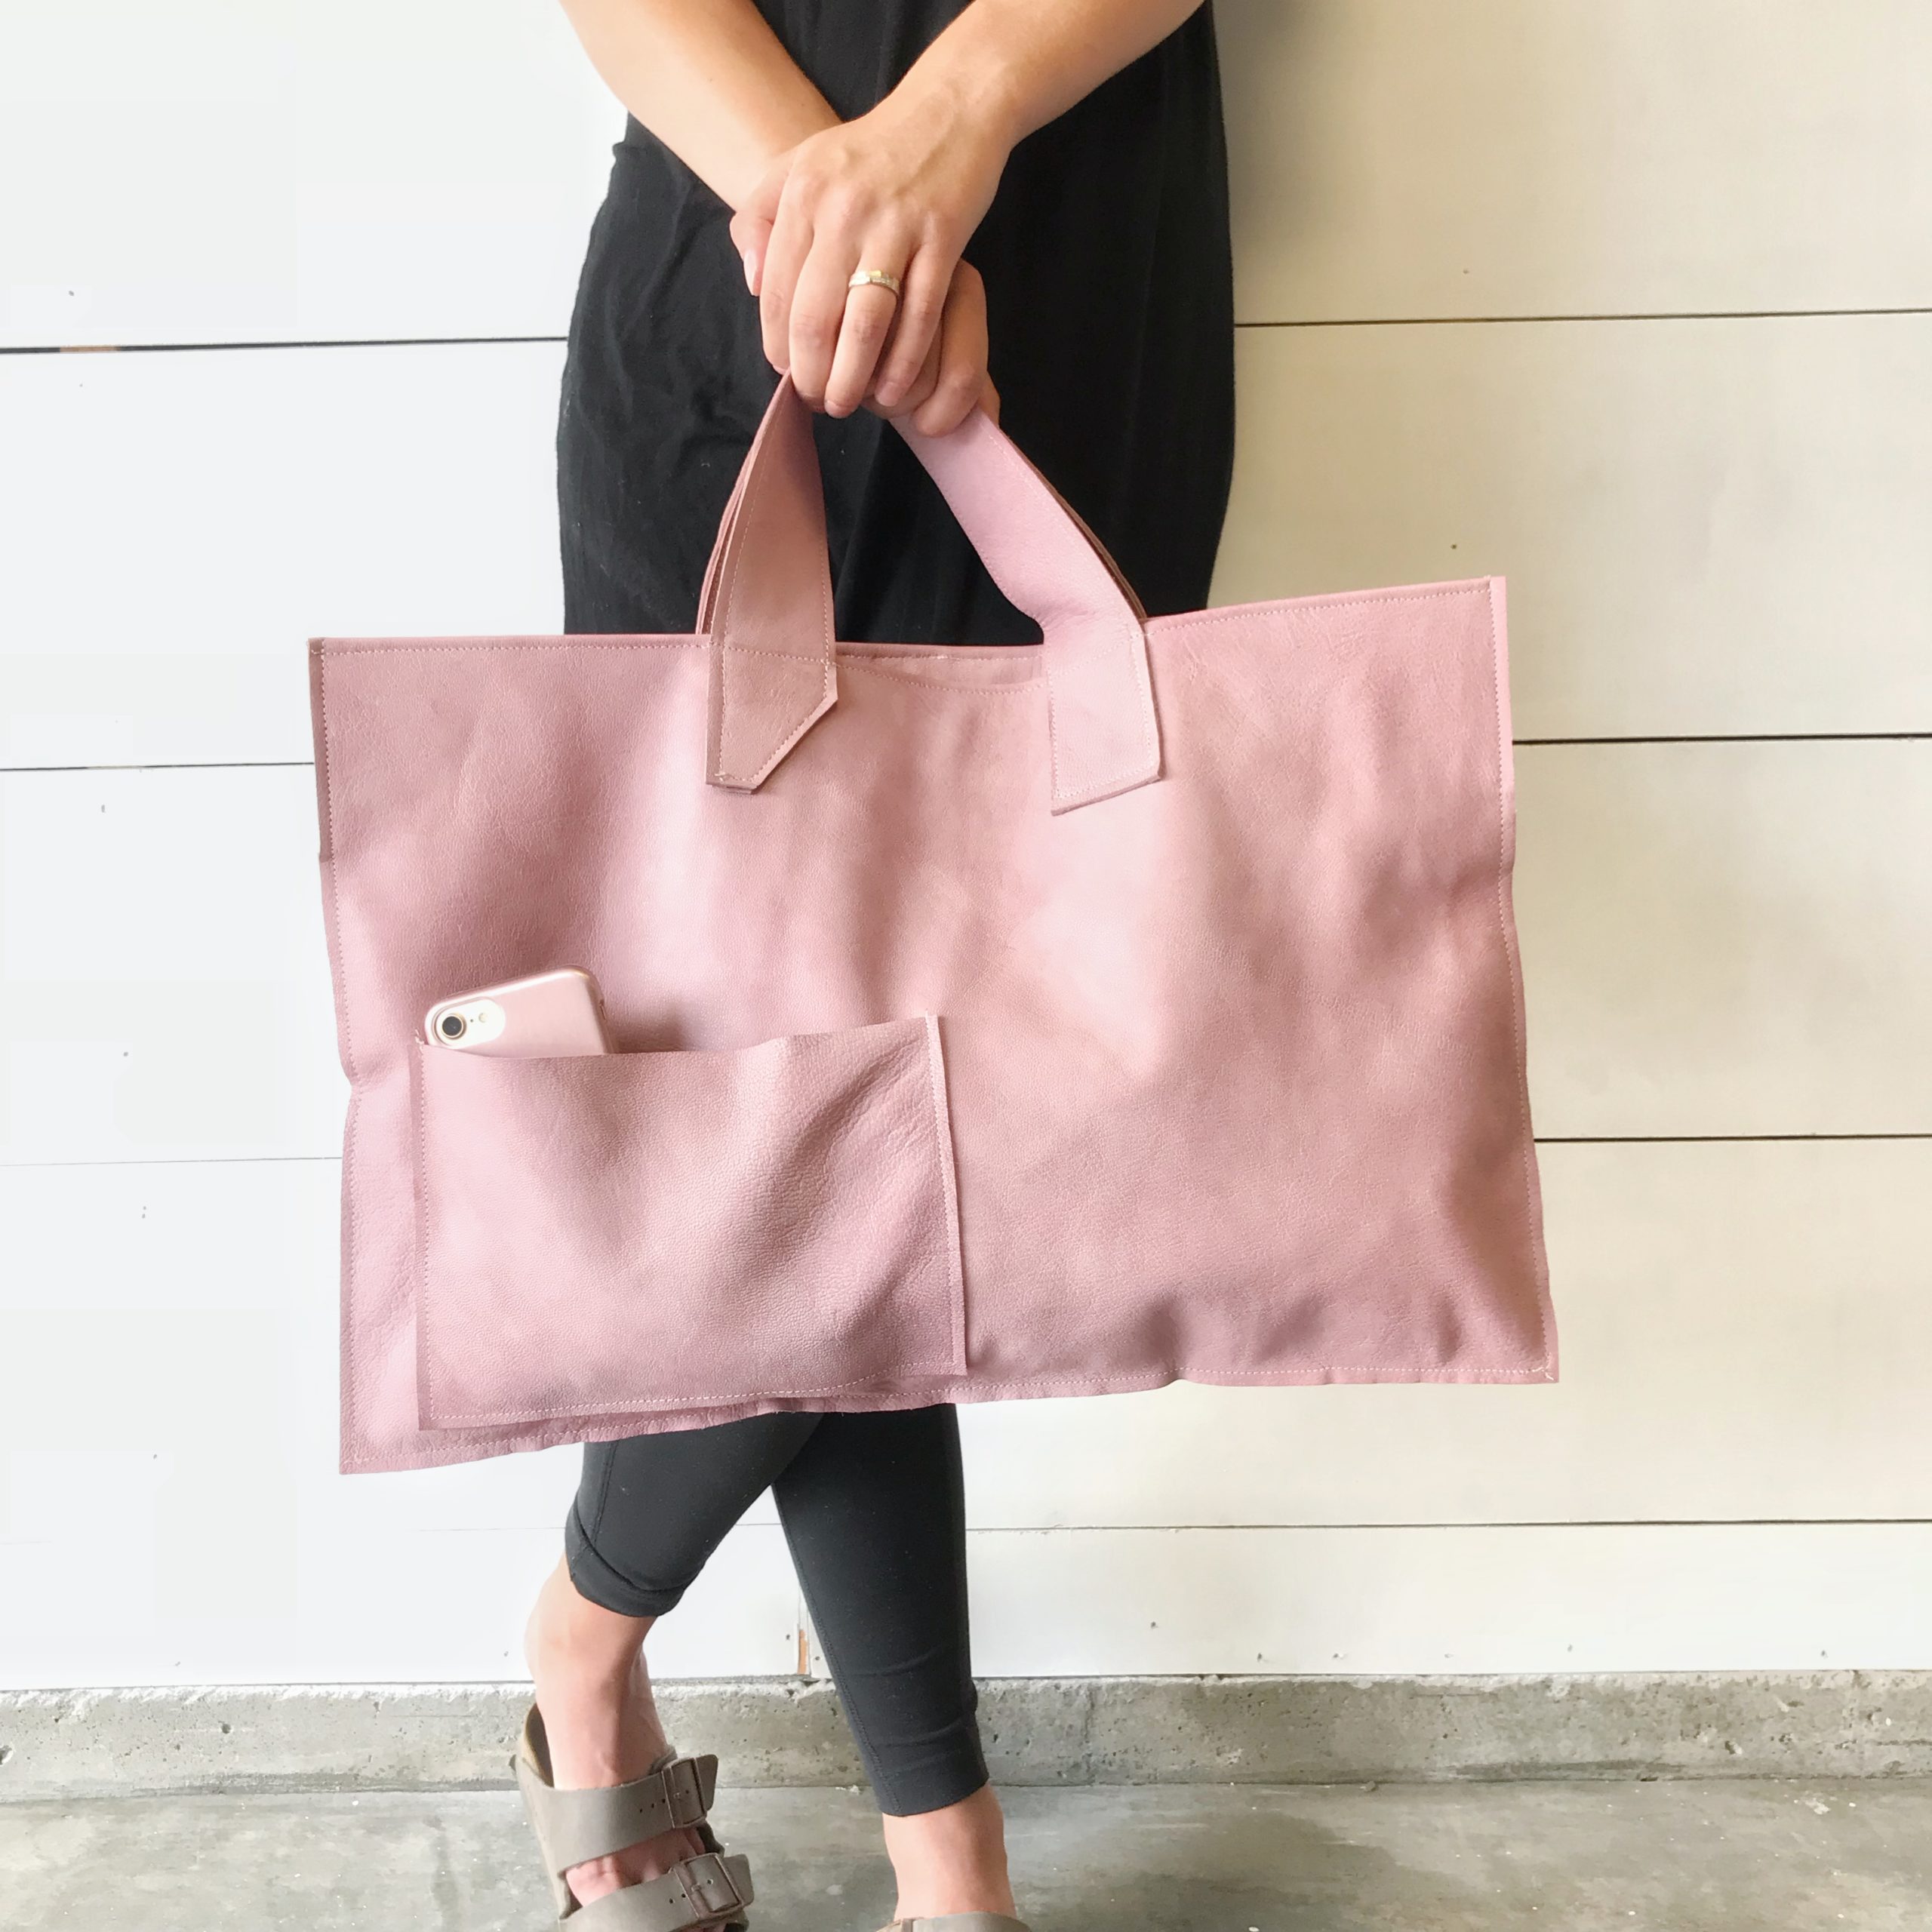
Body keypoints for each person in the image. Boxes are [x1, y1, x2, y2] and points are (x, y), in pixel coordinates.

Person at [521, 2, 1235, 1924]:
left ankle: (586, 1635)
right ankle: (952, 1876)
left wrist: (954, 126)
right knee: (794, 1128)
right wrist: (840, 213)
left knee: (960, 1116)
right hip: (734, 294)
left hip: (1083, 294)